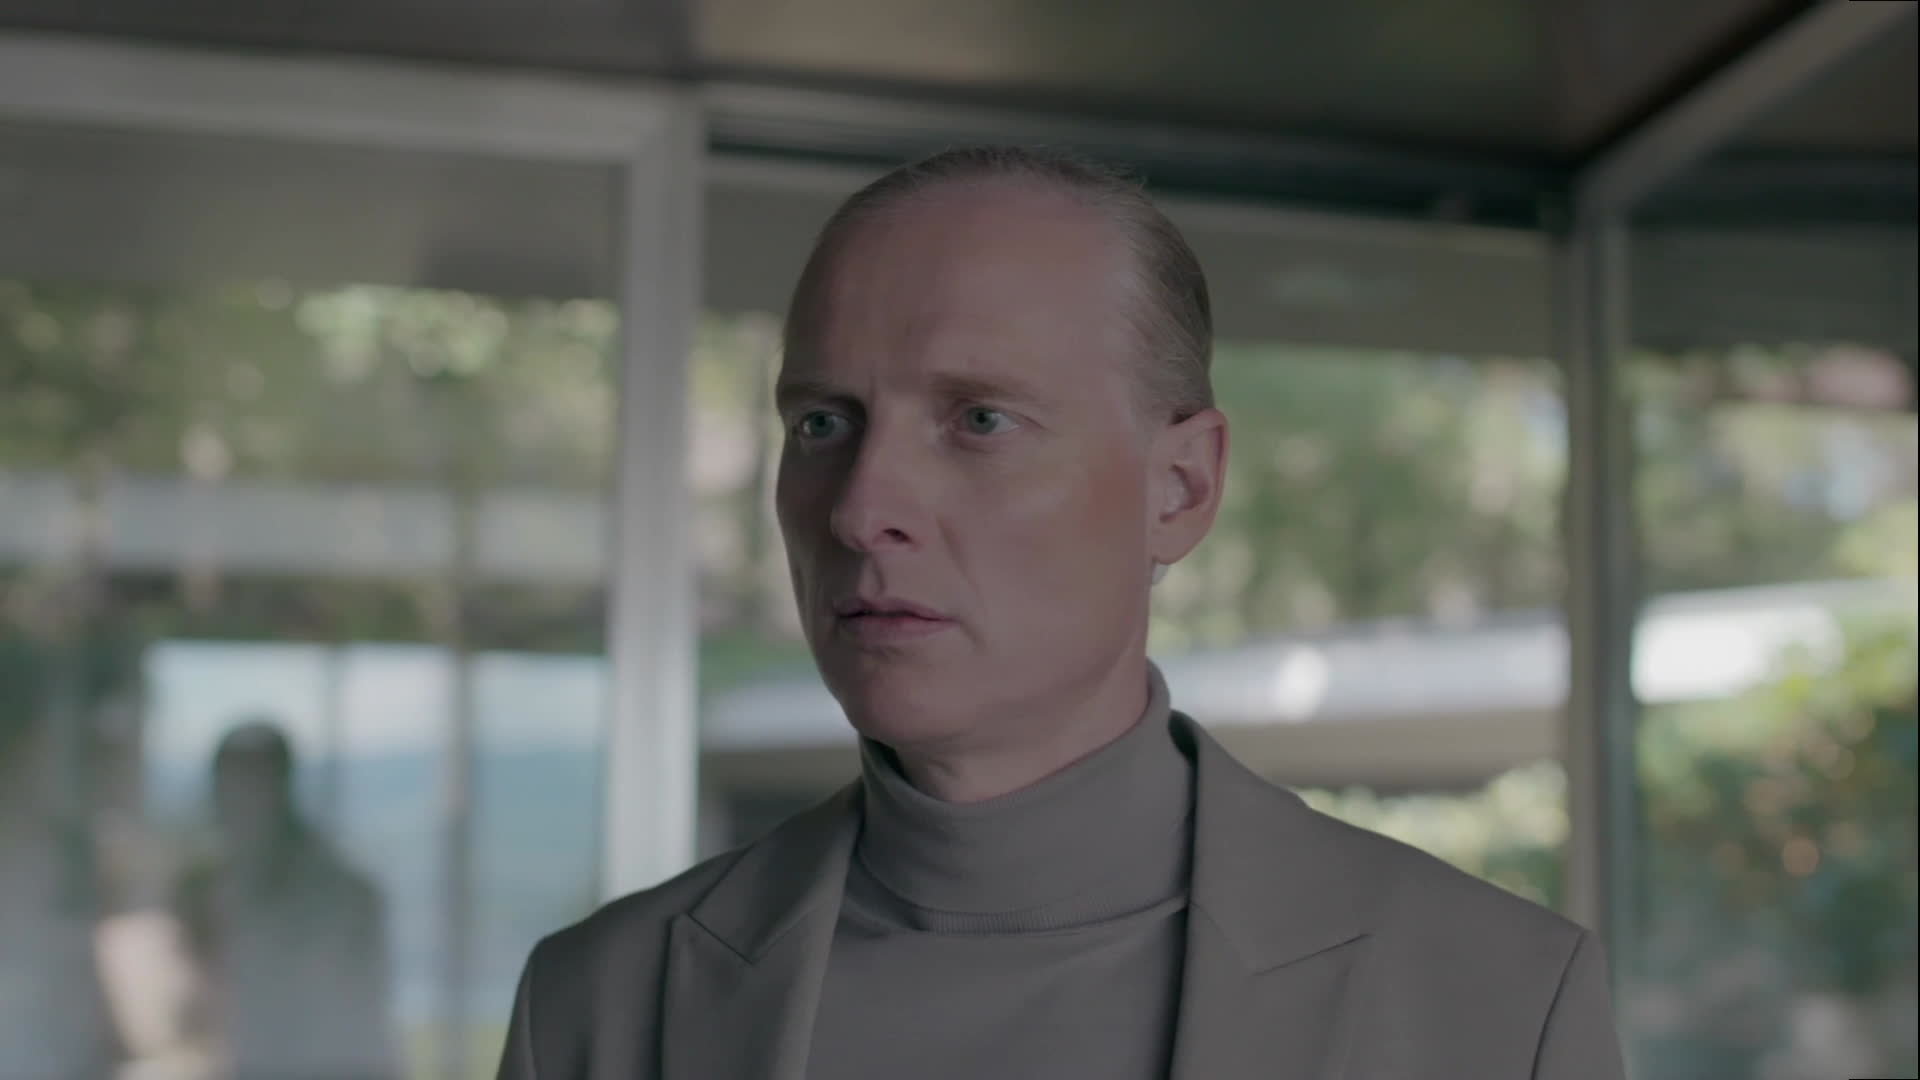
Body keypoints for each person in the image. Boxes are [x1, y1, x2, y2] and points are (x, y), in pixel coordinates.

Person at [497, 147, 1626, 1079]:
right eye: (822, 424)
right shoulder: (596, 1005)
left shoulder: (1497, 1005)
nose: (861, 510)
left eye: (979, 420)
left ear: (1180, 488)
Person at [170, 719, 399, 1080]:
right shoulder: (208, 889)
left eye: (254, 783)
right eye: (235, 784)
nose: (245, 799)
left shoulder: (342, 894)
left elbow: (359, 1012)